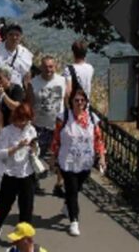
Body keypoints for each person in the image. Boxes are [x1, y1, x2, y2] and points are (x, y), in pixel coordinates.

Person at [51, 88, 104, 238]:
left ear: (86, 102)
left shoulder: (92, 118)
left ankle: (67, 205)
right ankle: (74, 221)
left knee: (77, 188)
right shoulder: (64, 118)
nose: (79, 103)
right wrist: (53, 156)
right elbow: (56, 138)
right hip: (67, 160)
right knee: (72, 190)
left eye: (82, 100)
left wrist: (102, 157)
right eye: (76, 100)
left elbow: (98, 138)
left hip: (85, 161)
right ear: (71, 102)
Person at [0, 103, 38, 235]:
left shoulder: (31, 130)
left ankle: (24, 236)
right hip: (10, 174)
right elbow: (1, 153)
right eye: (21, 120)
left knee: (27, 208)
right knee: (3, 205)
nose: (23, 123)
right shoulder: (7, 131)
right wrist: (17, 147)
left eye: (26, 120)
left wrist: (34, 150)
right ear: (15, 118)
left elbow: (35, 149)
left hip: (27, 173)